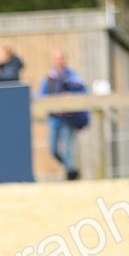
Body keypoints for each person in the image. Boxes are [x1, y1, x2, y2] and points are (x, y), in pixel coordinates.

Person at [39, 49, 88, 180]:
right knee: (53, 150)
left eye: (60, 58)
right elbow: (41, 95)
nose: (58, 61)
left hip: (68, 118)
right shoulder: (49, 77)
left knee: (67, 149)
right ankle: (71, 169)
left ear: (65, 60)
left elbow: (83, 92)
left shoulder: (73, 76)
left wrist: (69, 96)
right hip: (54, 118)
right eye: (56, 58)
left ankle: (70, 175)